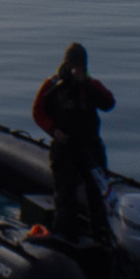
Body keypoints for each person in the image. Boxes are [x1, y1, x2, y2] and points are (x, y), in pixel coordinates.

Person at [32, 42, 115, 245]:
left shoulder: (92, 85)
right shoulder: (52, 86)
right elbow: (38, 111)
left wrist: (84, 82)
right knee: (65, 193)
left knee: (97, 194)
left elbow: (108, 103)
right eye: (73, 64)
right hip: (65, 147)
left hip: (90, 148)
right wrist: (53, 130)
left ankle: (101, 236)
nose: (76, 69)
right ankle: (66, 236)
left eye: (80, 65)